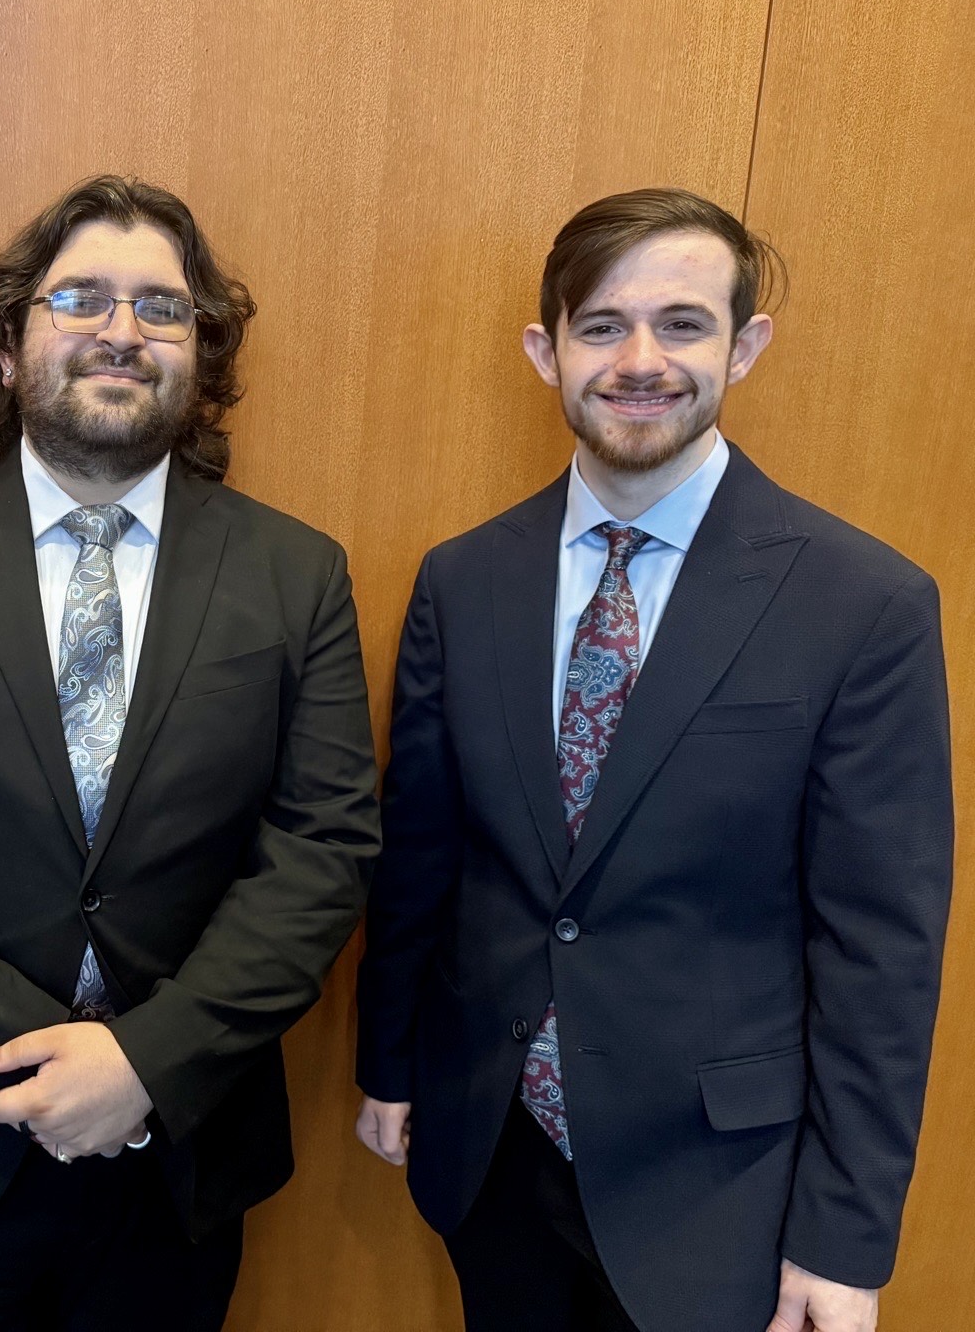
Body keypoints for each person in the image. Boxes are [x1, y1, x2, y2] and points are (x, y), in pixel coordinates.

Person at [0, 174, 380, 1329]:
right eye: (81, 299)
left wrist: (144, 1064)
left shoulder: (297, 578)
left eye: (163, 308)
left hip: (178, 1165)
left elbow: (322, 855)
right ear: (10, 346)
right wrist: (41, 1068)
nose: (121, 331)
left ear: (201, 356)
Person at [354, 187, 953, 1332]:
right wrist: (388, 1063)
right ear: (547, 352)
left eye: (683, 323)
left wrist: (845, 1235)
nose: (640, 360)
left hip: (719, 1190)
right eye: (600, 326)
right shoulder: (464, 581)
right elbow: (421, 856)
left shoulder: (863, 604)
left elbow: (883, 952)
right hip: (495, 1157)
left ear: (746, 344)